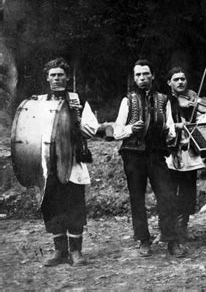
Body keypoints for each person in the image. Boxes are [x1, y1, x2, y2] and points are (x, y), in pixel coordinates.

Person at [113, 60, 186, 257]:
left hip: (156, 155)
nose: (142, 78)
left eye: (146, 74)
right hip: (134, 156)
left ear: (152, 76)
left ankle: (171, 240)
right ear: (134, 78)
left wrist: (168, 134)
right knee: (137, 198)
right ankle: (143, 240)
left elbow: (170, 126)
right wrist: (130, 129)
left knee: (167, 196)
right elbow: (116, 130)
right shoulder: (127, 101)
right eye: (138, 75)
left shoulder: (164, 100)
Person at [40, 58, 99, 267]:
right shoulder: (40, 102)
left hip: (73, 161)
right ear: (47, 78)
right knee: (52, 206)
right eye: (53, 75)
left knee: (74, 206)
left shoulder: (77, 100)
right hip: (48, 163)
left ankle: (76, 252)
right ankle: (59, 251)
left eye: (60, 75)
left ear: (67, 77)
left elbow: (92, 127)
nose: (56, 78)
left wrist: (74, 126)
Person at [166, 67, 206, 241]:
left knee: (188, 192)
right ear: (169, 83)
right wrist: (177, 125)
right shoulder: (165, 101)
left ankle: (183, 227)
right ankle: (168, 229)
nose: (181, 82)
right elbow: (163, 123)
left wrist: (198, 111)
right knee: (169, 192)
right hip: (171, 151)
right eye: (176, 79)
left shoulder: (193, 99)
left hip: (190, 151)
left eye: (183, 79)